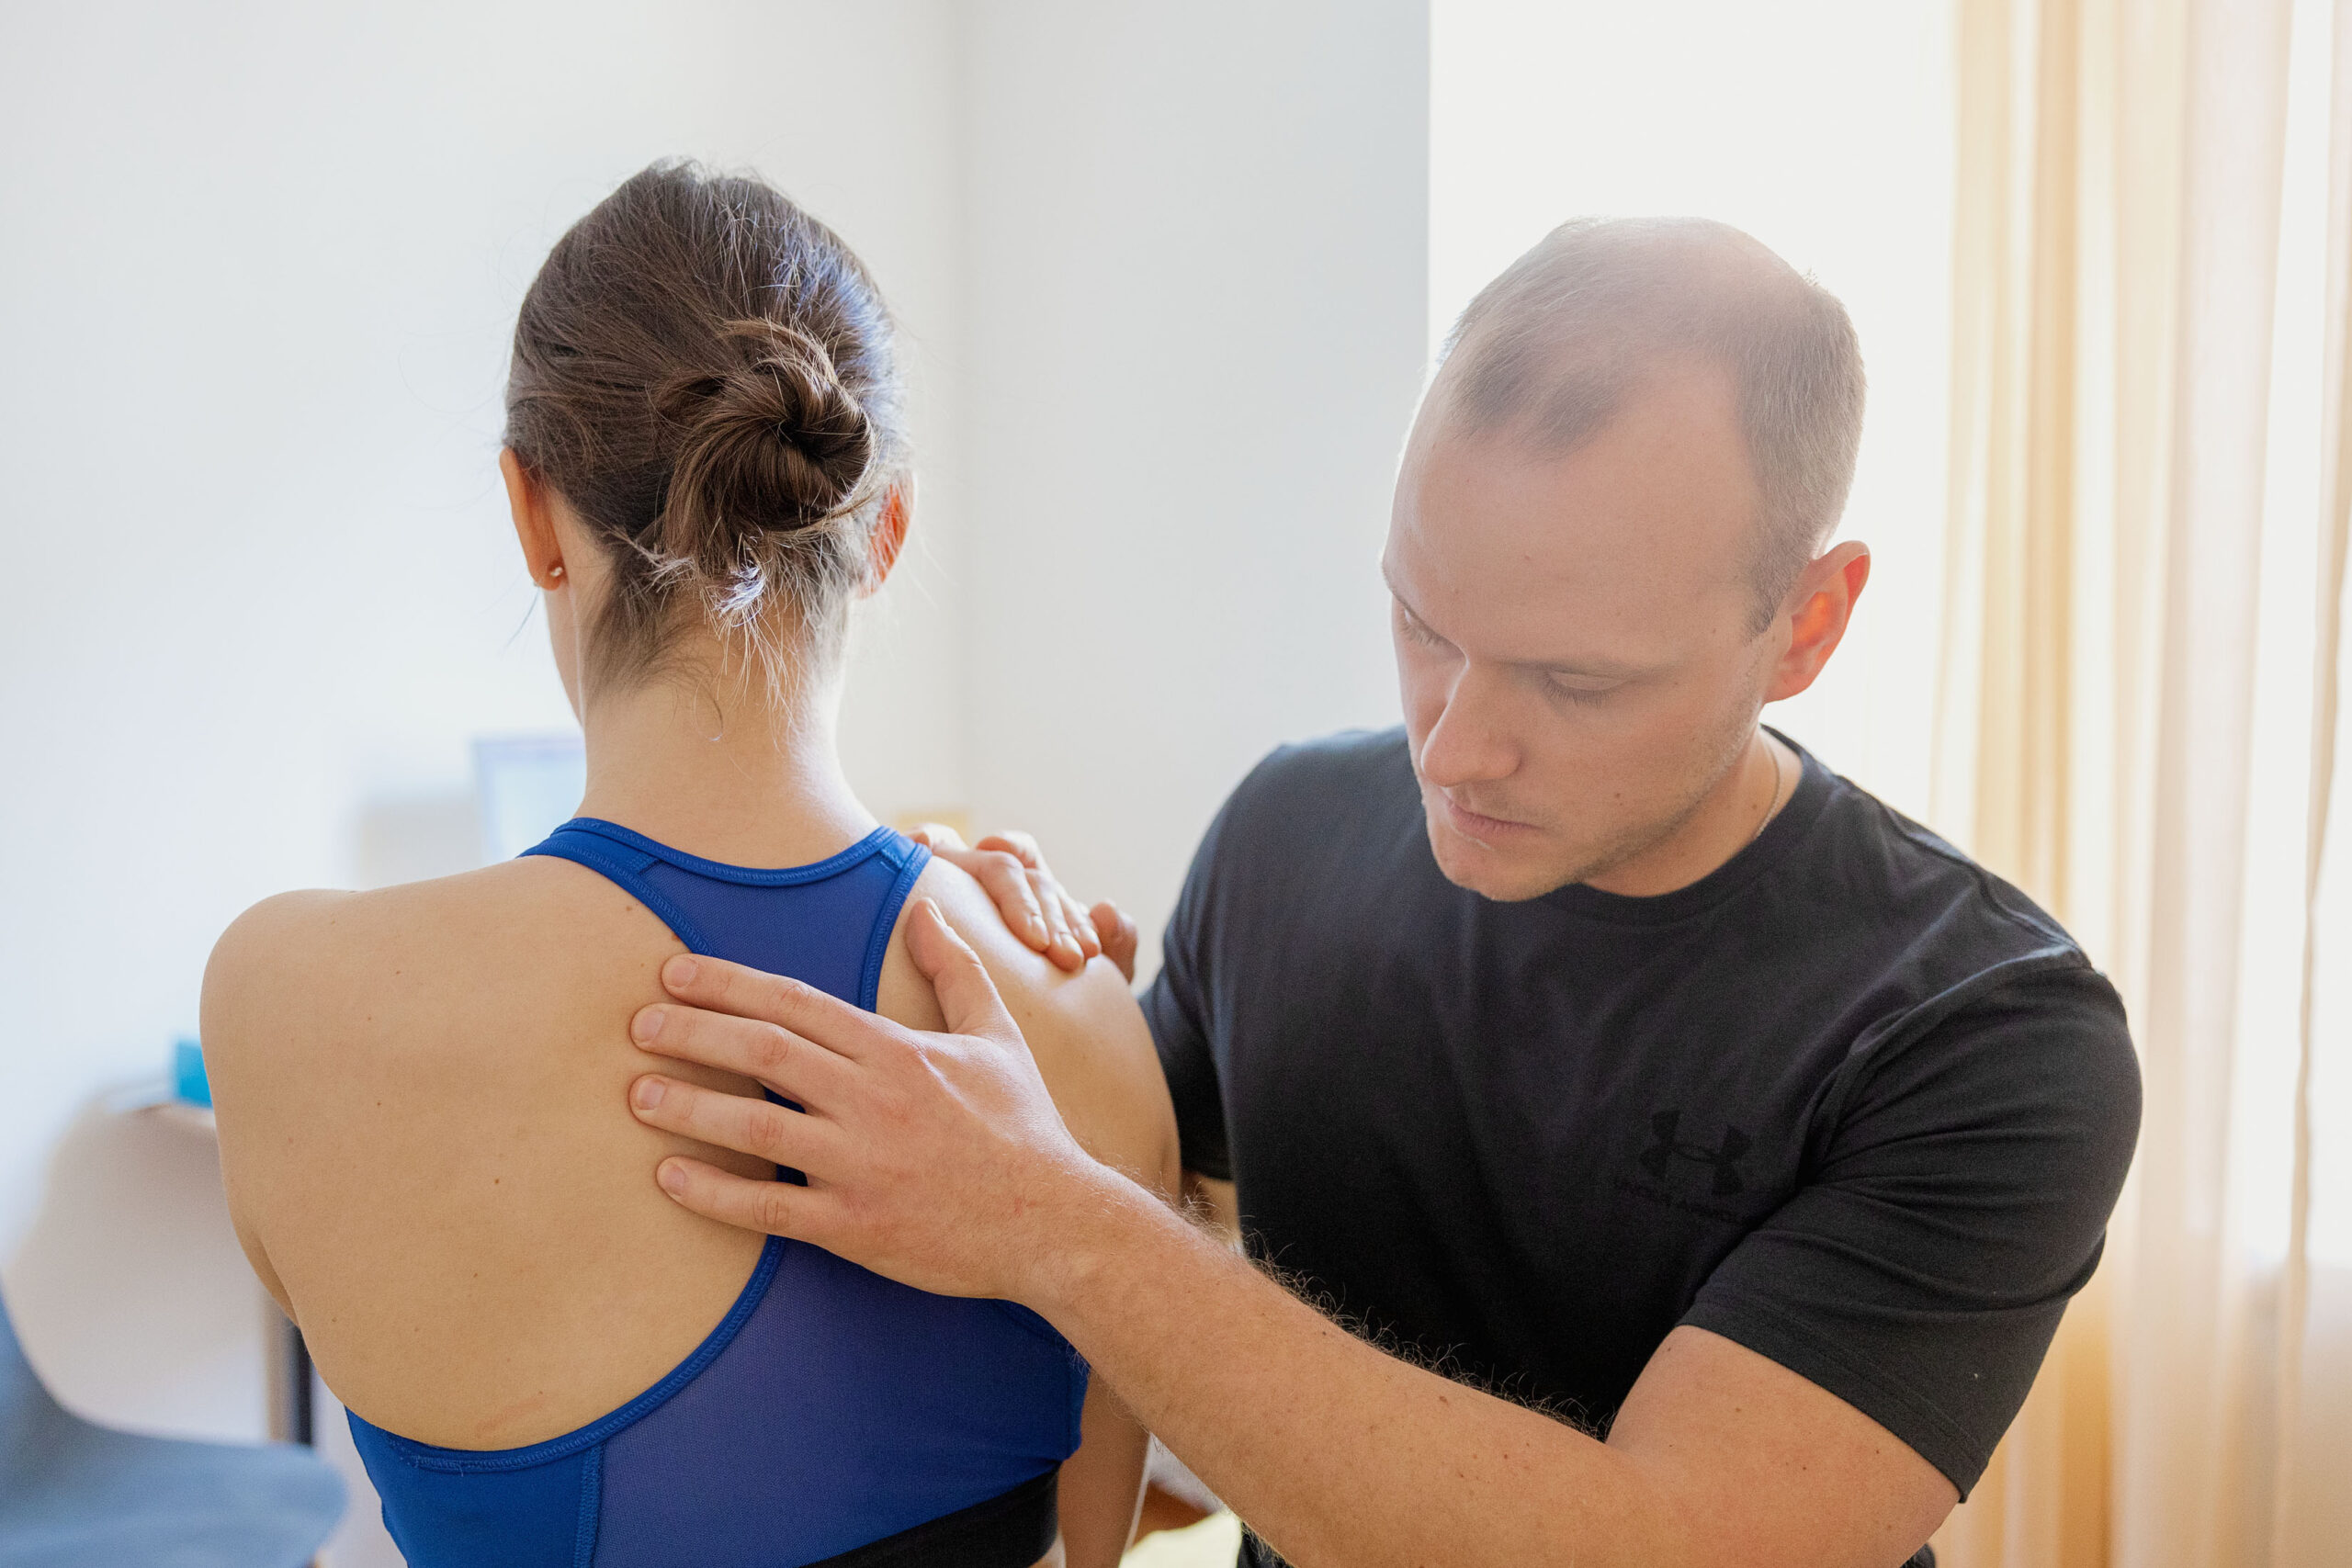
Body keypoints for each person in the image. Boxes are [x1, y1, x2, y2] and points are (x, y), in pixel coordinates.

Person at [613, 219, 2143, 1568]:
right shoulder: (1289, 832)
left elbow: (1666, 1548)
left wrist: (1047, 1219)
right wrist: (1024, 1000)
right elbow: (1148, 1310)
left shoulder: (1987, 1038)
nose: (1456, 747)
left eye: (1573, 680)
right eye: (1422, 623)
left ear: (1806, 623)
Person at [202, 161, 1177, 1568]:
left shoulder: (284, 1000)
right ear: (884, 529)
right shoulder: (1077, 1019)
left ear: (533, 516)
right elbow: (1096, 1550)